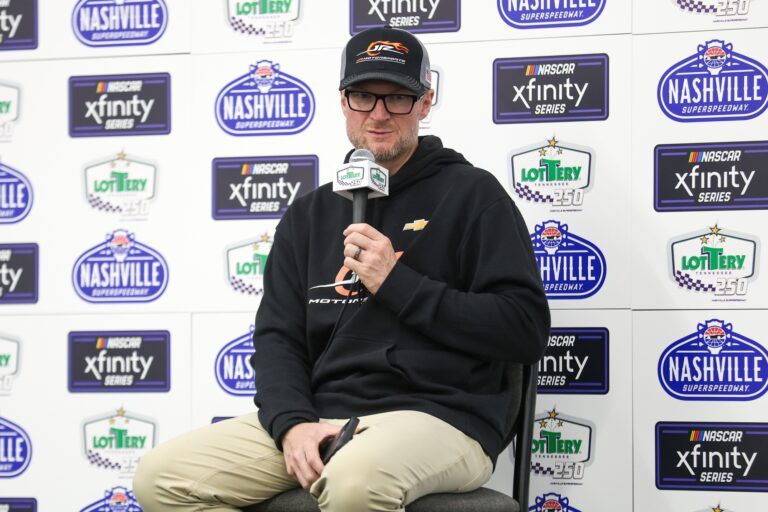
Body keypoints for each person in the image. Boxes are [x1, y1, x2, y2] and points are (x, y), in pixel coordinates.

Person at [133, 26, 550, 512]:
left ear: (425, 101)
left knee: (353, 481)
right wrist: (292, 423)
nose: (377, 114)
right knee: (161, 478)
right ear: (342, 100)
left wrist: (396, 283)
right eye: (362, 97)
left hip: (440, 417)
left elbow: (523, 330)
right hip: (325, 416)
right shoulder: (310, 213)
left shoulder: (474, 196)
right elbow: (278, 339)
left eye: (397, 97)